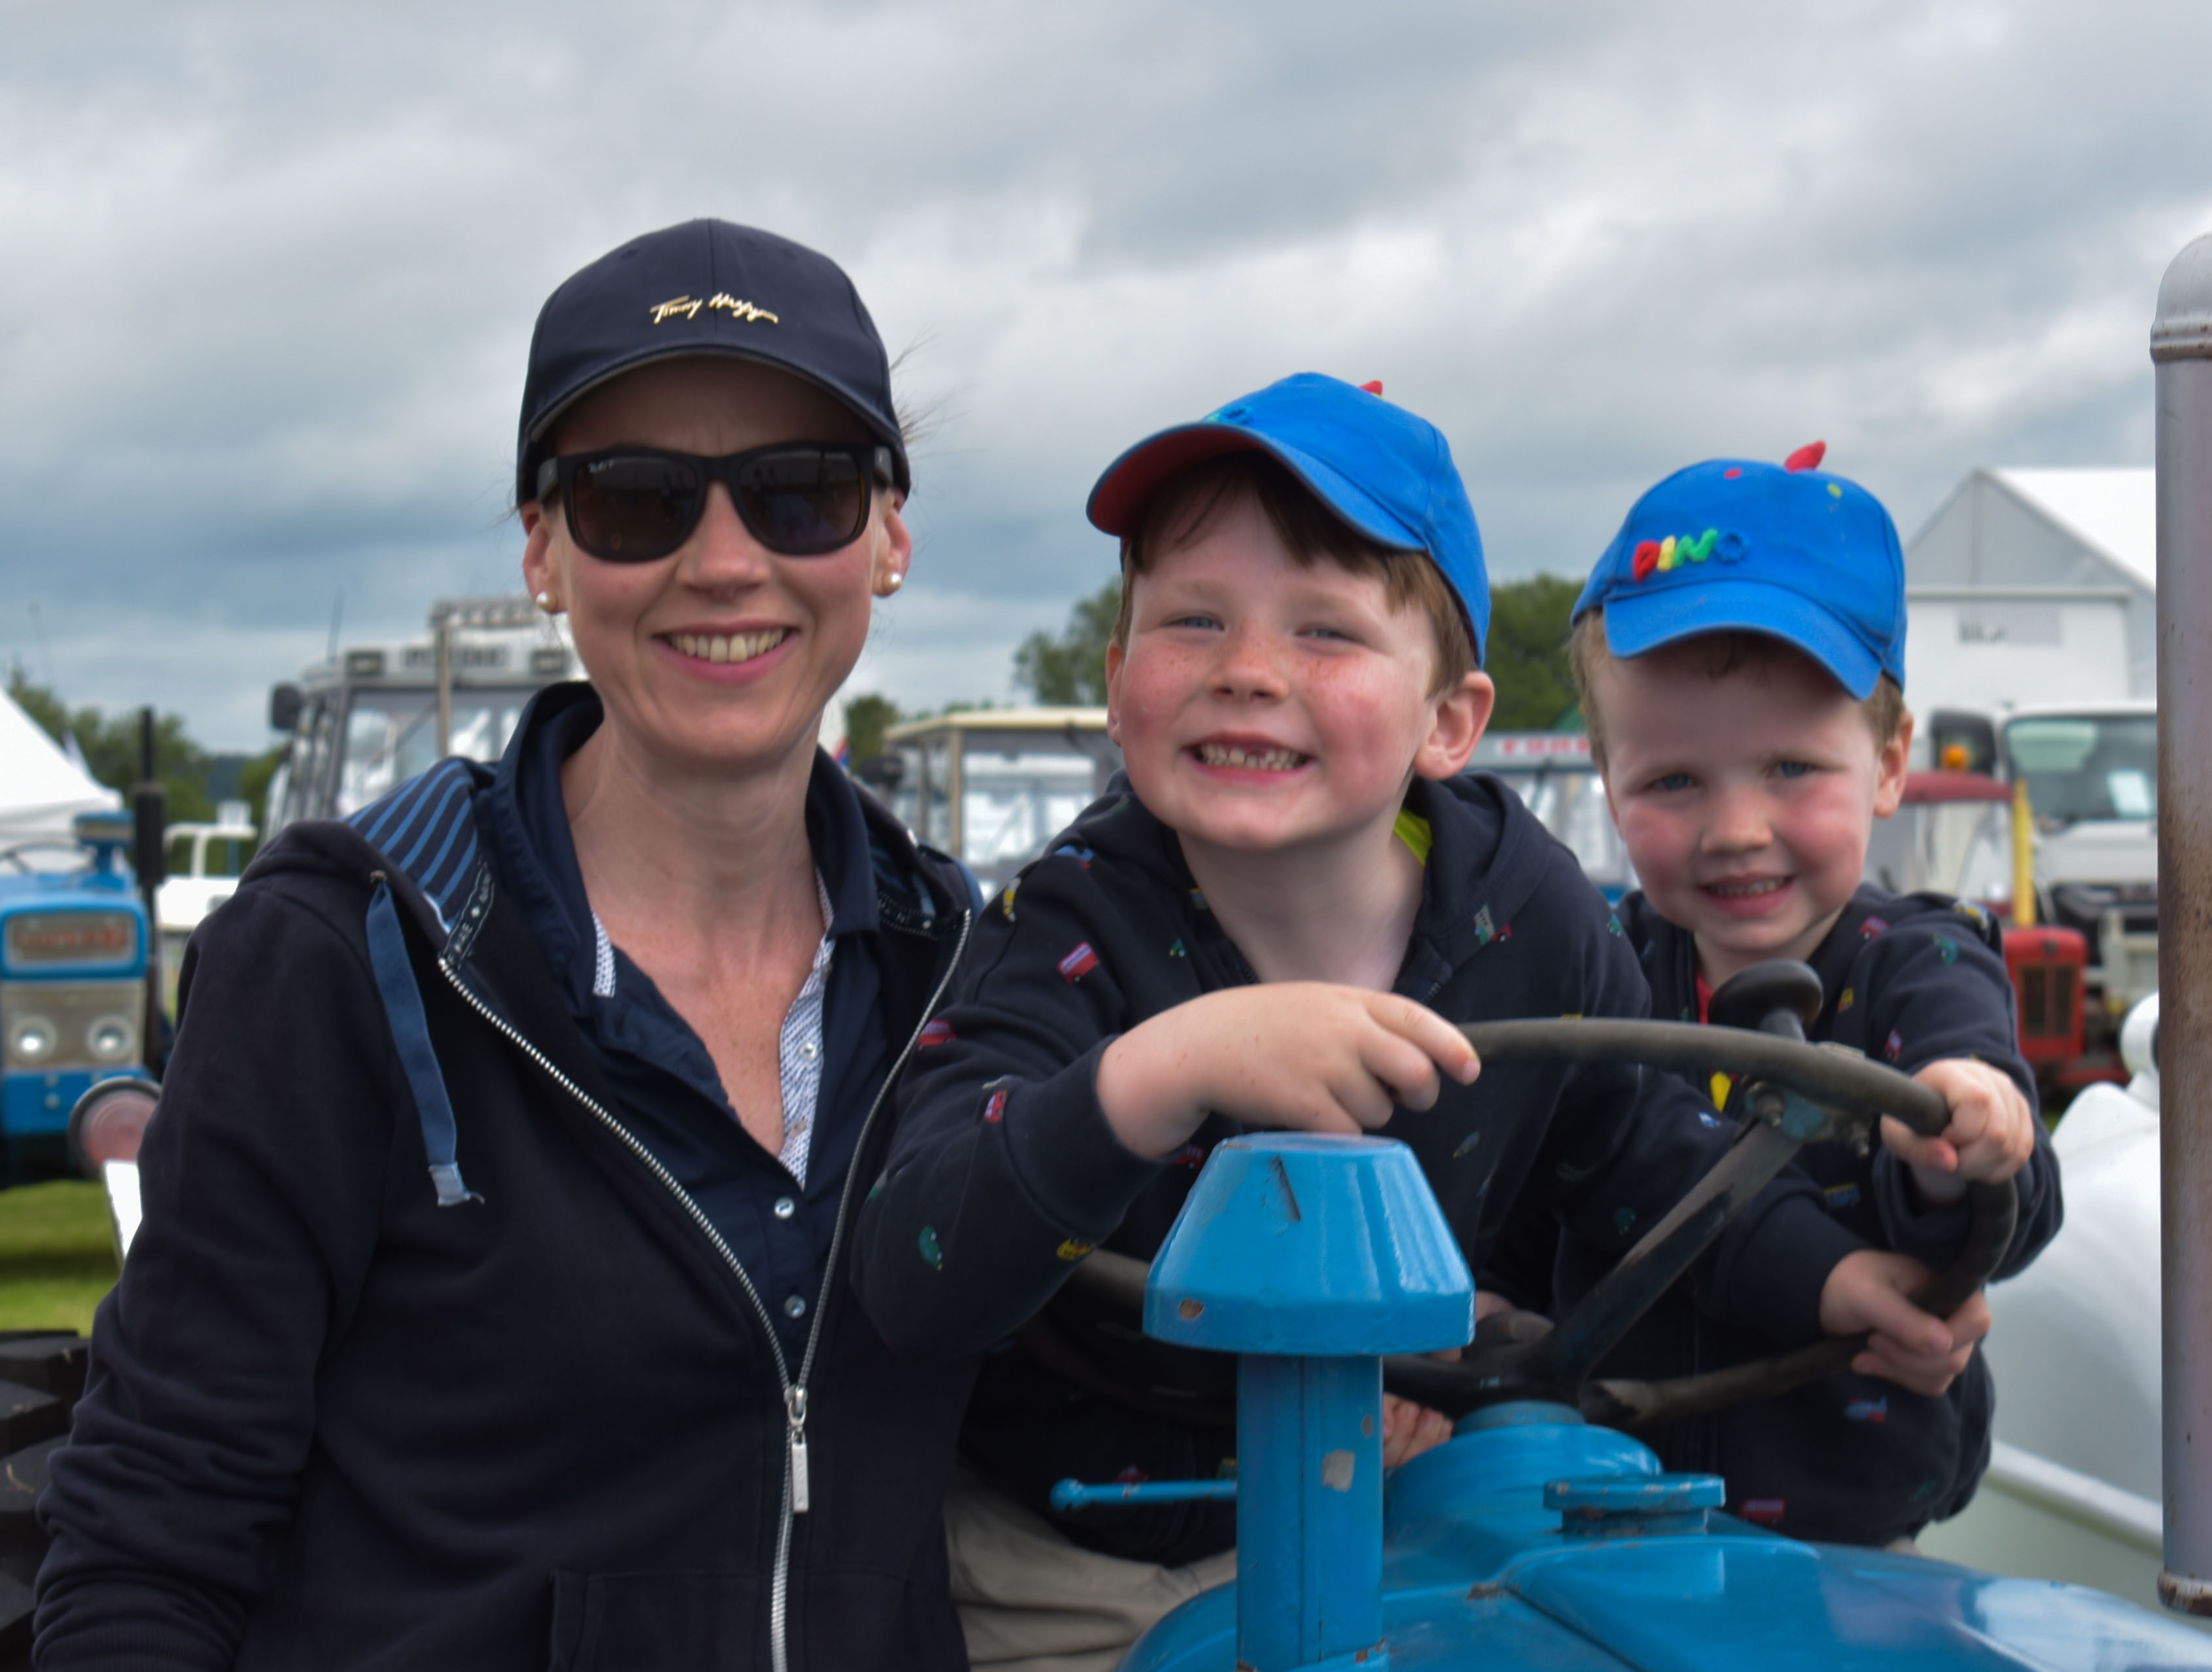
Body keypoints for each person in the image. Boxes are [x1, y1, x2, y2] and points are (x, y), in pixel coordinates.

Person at [852, 377, 1990, 1669]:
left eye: (1324, 632)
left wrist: (1837, 1283)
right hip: (1093, 1557)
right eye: (1193, 620)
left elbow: (1648, 1162)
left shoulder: (1526, 916)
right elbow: (915, 1266)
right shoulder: (1063, 929)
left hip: (1399, 1528)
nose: (1245, 672)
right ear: (1119, 686)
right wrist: (1163, 1069)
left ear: (1449, 721)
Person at [35, 219, 981, 1671]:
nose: (725, 561)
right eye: (635, 499)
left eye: (800, 490)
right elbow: (151, 1537)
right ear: (544, 549)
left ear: (888, 537)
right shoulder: (339, 959)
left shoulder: (958, 972)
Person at [1560, 448, 2064, 1548]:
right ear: (1606, 778)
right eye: (1672, 781)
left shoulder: (1922, 966)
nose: (1735, 831)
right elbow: (1550, 1177)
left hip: (1846, 1546)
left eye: (1790, 769)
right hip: (1589, 1521)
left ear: (1888, 763)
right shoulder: (1596, 972)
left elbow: (2013, 1208)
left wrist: (1961, 1137)